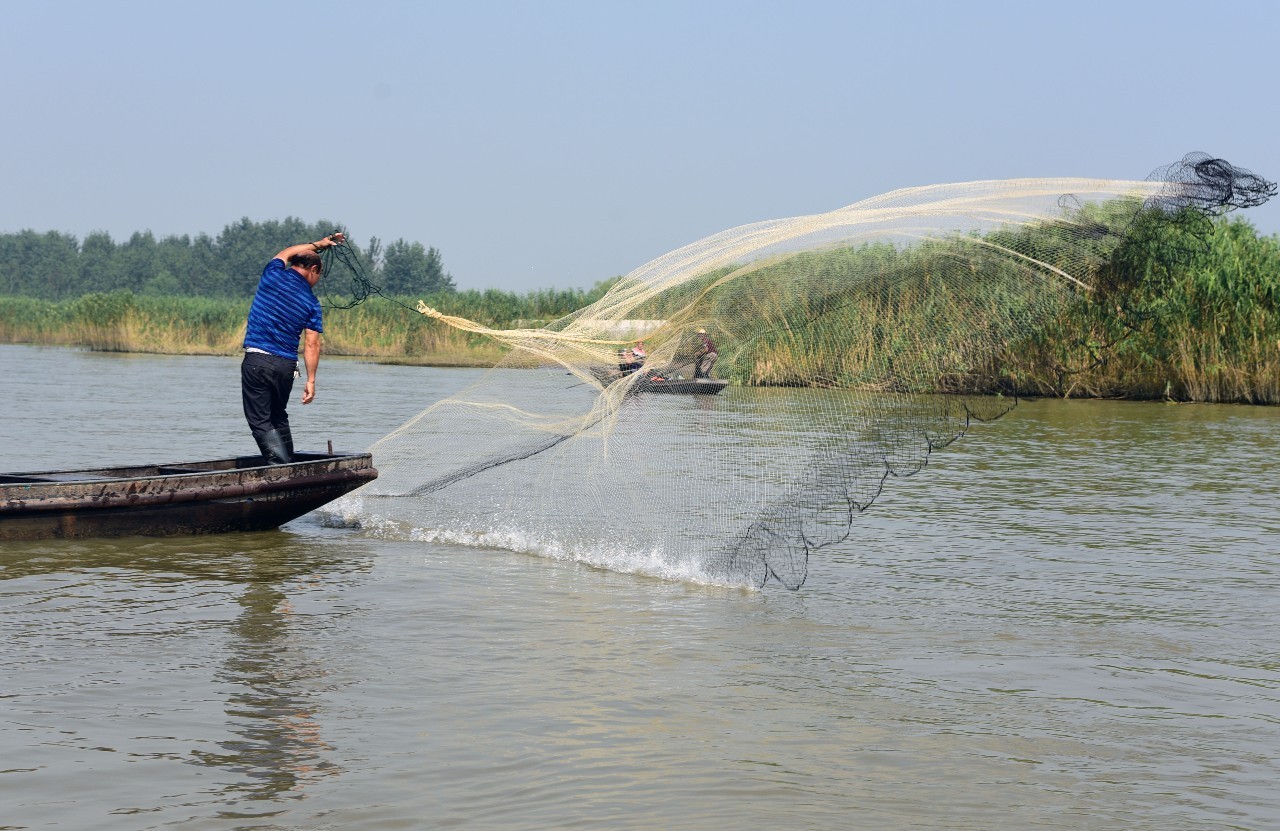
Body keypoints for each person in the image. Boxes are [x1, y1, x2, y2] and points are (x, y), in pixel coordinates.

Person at [241, 232, 345, 464]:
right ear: (313, 270)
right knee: (278, 416)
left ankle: (280, 468)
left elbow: (285, 252)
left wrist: (318, 244)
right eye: (320, 275)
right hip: (285, 367)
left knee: (260, 420)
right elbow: (312, 343)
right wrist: (311, 380)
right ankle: (288, 465)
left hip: (257, 361)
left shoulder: (272, 275)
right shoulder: (311, 303)